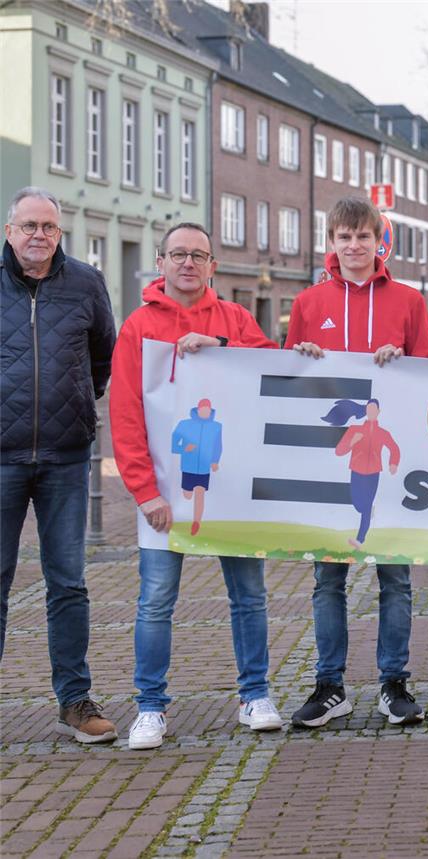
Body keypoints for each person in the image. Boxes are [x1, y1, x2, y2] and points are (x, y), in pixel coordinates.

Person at [111, 222, 283, 750]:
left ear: (212, 265)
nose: (188, 263)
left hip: (230, 489)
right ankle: (149, 706)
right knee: (156, 601)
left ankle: (254, 694)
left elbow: (270, 368)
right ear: (160, 262)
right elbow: (125, 415)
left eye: (199, 255)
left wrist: (222, 346)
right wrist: (144, 493)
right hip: (163, 493)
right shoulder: (138, 328)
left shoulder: (234, 318)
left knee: (249, 596)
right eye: (178, 254)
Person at [286, 196, 428, 728]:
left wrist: (406, 364)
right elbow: (291, 388)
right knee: (328, 582)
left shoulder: (410, 302)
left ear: (379, 242)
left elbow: (427, 380)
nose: (353, 246)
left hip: (387, 468)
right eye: (343, 237)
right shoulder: (307, 303)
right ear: (331, 243)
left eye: (363, 237)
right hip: (330, 466)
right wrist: (298, 358)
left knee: (395, 579)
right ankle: (331, 685)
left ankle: (394, 683)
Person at [1, 187, 118, 744]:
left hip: (66, 458)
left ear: (59, 233)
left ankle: (75, 701)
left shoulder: (86, 284)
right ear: (9, 231)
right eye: (29, 226)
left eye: (48, 226)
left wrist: (75, 403)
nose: (39, 235)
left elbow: (103, 356)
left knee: (67, 583)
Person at [321, 398, 400, 550]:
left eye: (374, 410)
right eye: (368, 409)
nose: (371, 412)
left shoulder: (383, 433)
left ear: (378, 412)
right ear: (365, 411)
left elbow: (394, 449)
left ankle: (360, 539)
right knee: (358, 504)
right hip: (356, 471)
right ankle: (367, 511)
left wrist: (393, 463)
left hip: (373, 473)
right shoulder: (354, 430)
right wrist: (352, 442)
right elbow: (339, 451)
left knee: (366, 505)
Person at [171, 398, 224, 537]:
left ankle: (196, 523)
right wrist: (184, 448)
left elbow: (218, 446)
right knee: (188, 495)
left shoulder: (216, 427)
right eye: (203, 410)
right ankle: (186, 499)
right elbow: (174, 443)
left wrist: (214, 461)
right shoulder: (184, 424)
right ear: (198, 410)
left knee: (200, 493)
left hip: (204, 467)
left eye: (208, 410)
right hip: (188, 466)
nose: (205, 412)